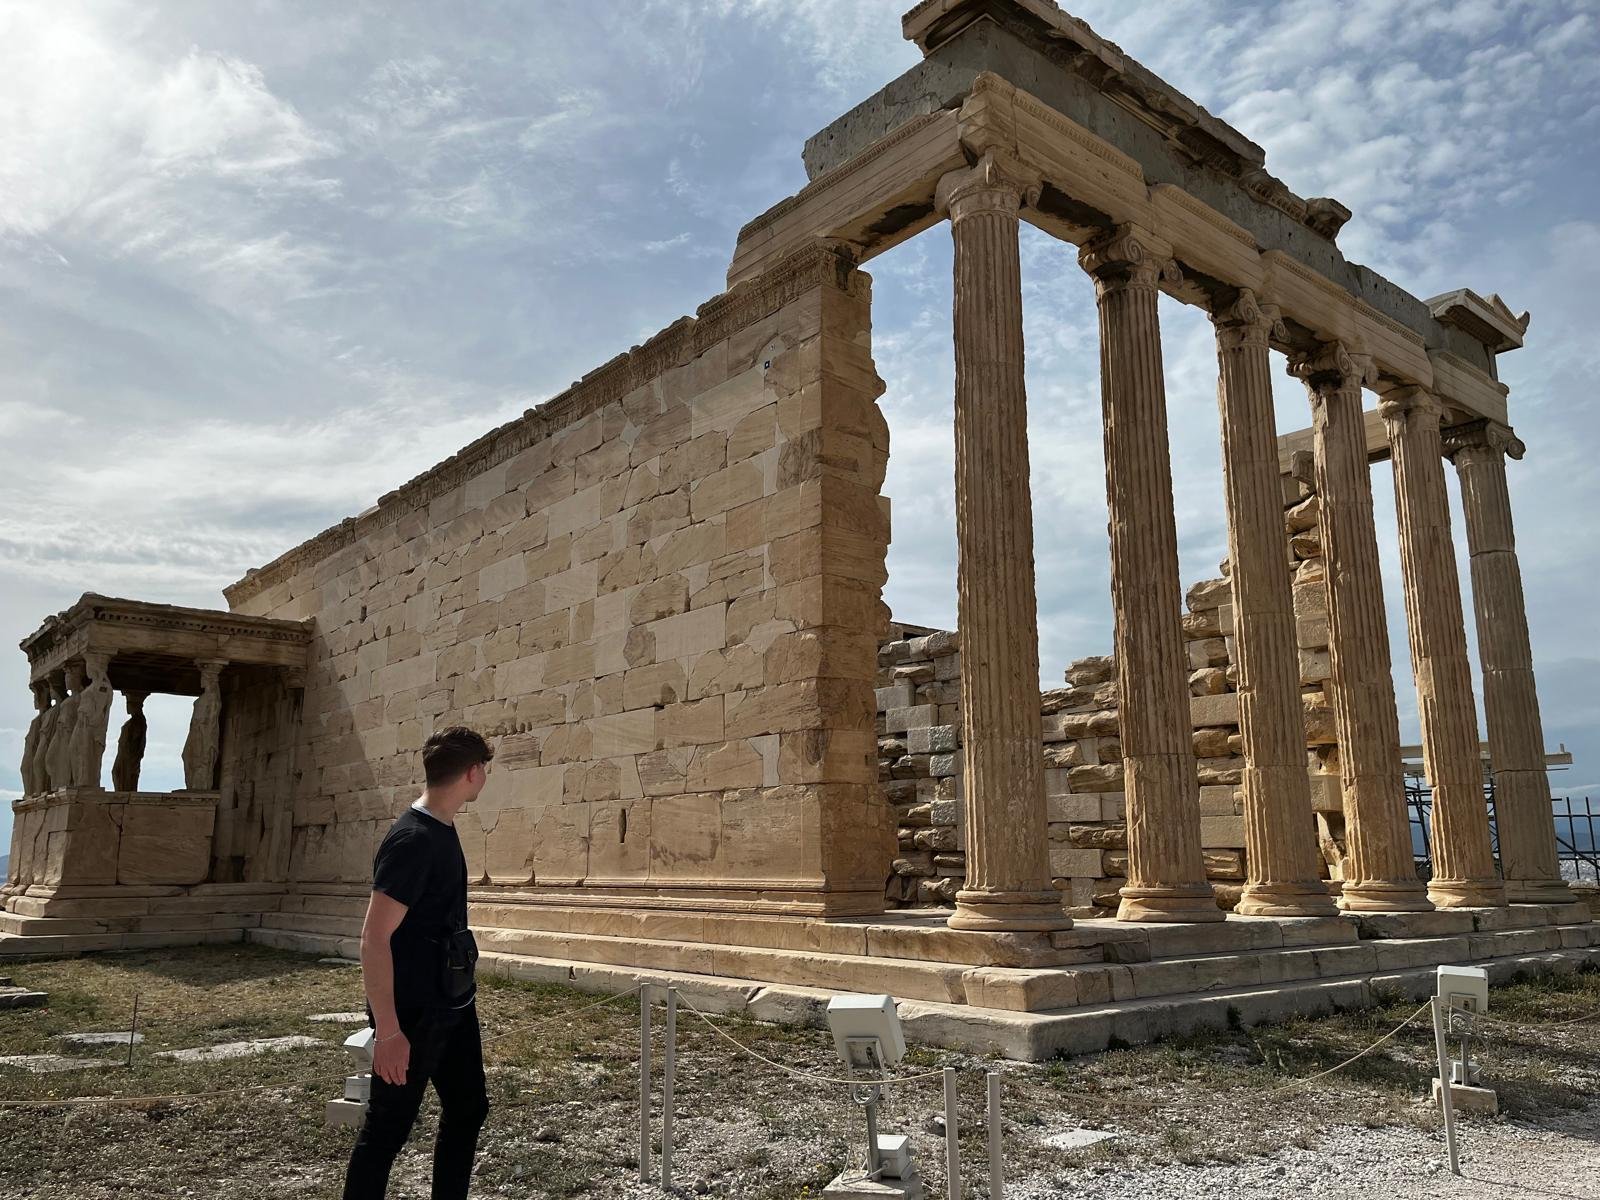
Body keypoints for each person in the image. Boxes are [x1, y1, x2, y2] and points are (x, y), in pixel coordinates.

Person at [344, 726, 493, 1200]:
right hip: (412, 1014)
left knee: (468, 1108)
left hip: (451, 1004)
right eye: (484, 768)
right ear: (472, 773)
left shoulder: (443, 828)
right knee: (387, 1130)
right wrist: (388, 1032)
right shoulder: (412, 840)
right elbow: (373, 938)